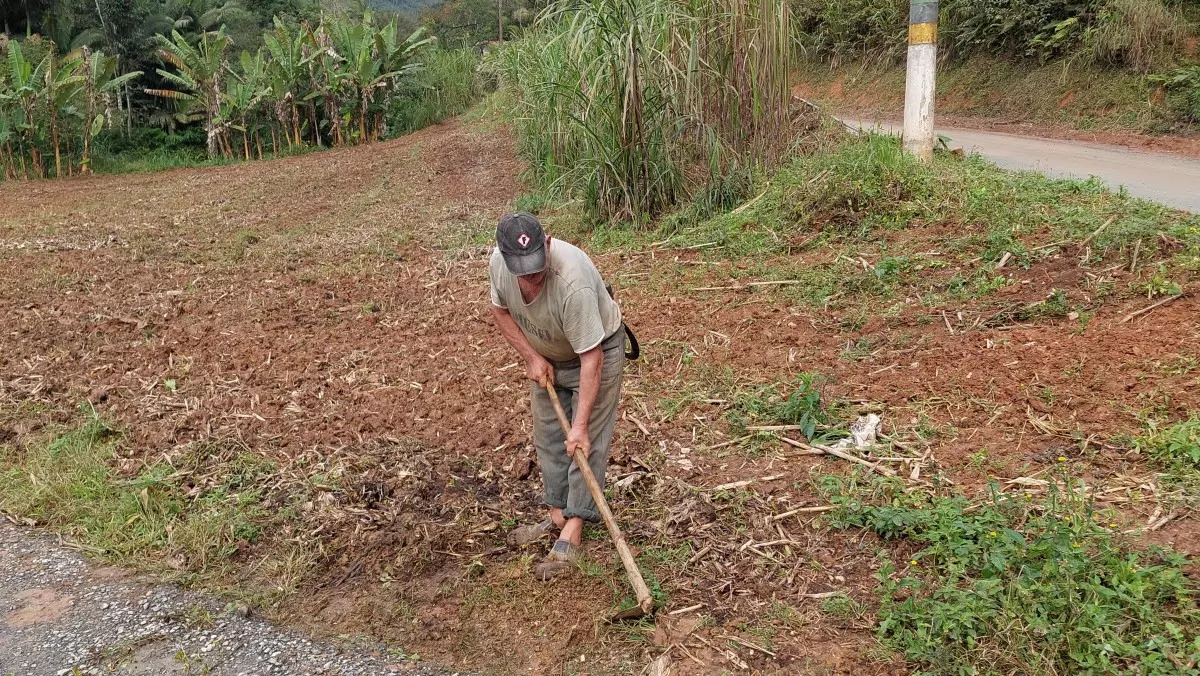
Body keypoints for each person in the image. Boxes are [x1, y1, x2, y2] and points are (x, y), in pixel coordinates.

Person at [488, 212, 625, 579]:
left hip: (595, 353)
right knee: (549, 437)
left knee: (584, 439)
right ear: (504, 256)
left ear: (546, 244)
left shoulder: (572, 281)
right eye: (524, 271)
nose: (532, 278)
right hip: (547, 354)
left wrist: (579, 426)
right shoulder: (499, 267)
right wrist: (532, 357)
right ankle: (557, 516)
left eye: (537, 267)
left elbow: (591, 358)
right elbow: (500, 311)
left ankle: (574, 528)